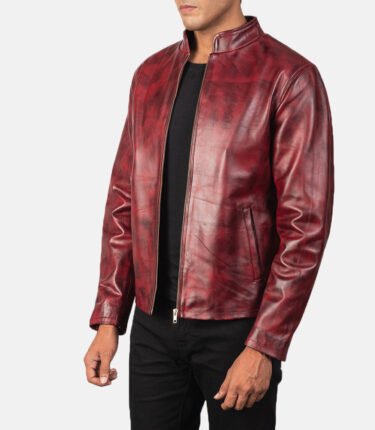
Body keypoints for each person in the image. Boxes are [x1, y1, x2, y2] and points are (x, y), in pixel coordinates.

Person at [83, 1, 334, 428]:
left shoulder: (288, 76)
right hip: (152, 326)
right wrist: (109, 317)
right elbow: (124, 202)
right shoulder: (150, 75)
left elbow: (305, 226)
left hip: (238, 330)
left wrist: (265, 344)